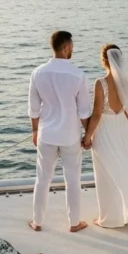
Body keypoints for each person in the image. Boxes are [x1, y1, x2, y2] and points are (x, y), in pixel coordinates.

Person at [83, 44, 128, 227]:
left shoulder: (101, 83)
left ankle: (111, 218)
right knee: (124, 166)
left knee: (106, 171)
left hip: (105, 128)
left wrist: (88, 136)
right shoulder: (125, 82)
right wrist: (123, 124)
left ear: (103, 60)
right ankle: (127, 211)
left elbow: (97, 113)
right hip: (121, 127)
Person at [28, 30, 93, 233]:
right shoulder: (78, 75)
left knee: (42, 179)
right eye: (71, 46)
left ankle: (37, 222)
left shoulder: (38, 73)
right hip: (70, 136)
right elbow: (84, 111)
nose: (72, 49)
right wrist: (88, 135)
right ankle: (74, 223)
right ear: (65, 47)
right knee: (72, 179)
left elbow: (33, 108)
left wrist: (34, 131)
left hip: (46, 134)